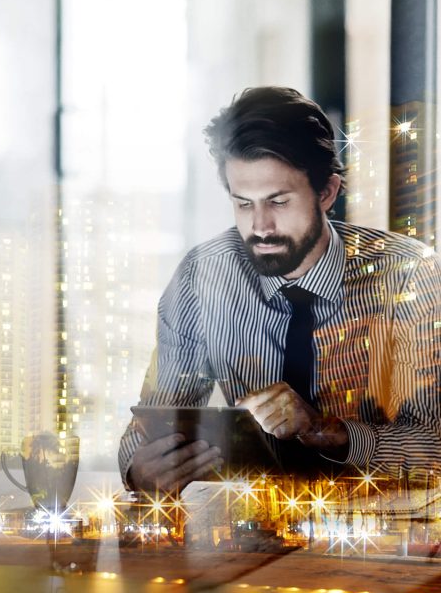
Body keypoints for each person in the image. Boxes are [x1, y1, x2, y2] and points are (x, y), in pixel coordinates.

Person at [118, 86, 441, 492]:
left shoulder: (409, 274)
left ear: (327, 193)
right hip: (254, 532)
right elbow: (152, 420)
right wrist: (138, 469)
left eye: (279, 202)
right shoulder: (202, 276)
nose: (261, 227)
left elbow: (434, 448)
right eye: (244, 203)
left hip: (386, 533)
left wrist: (328, 430)